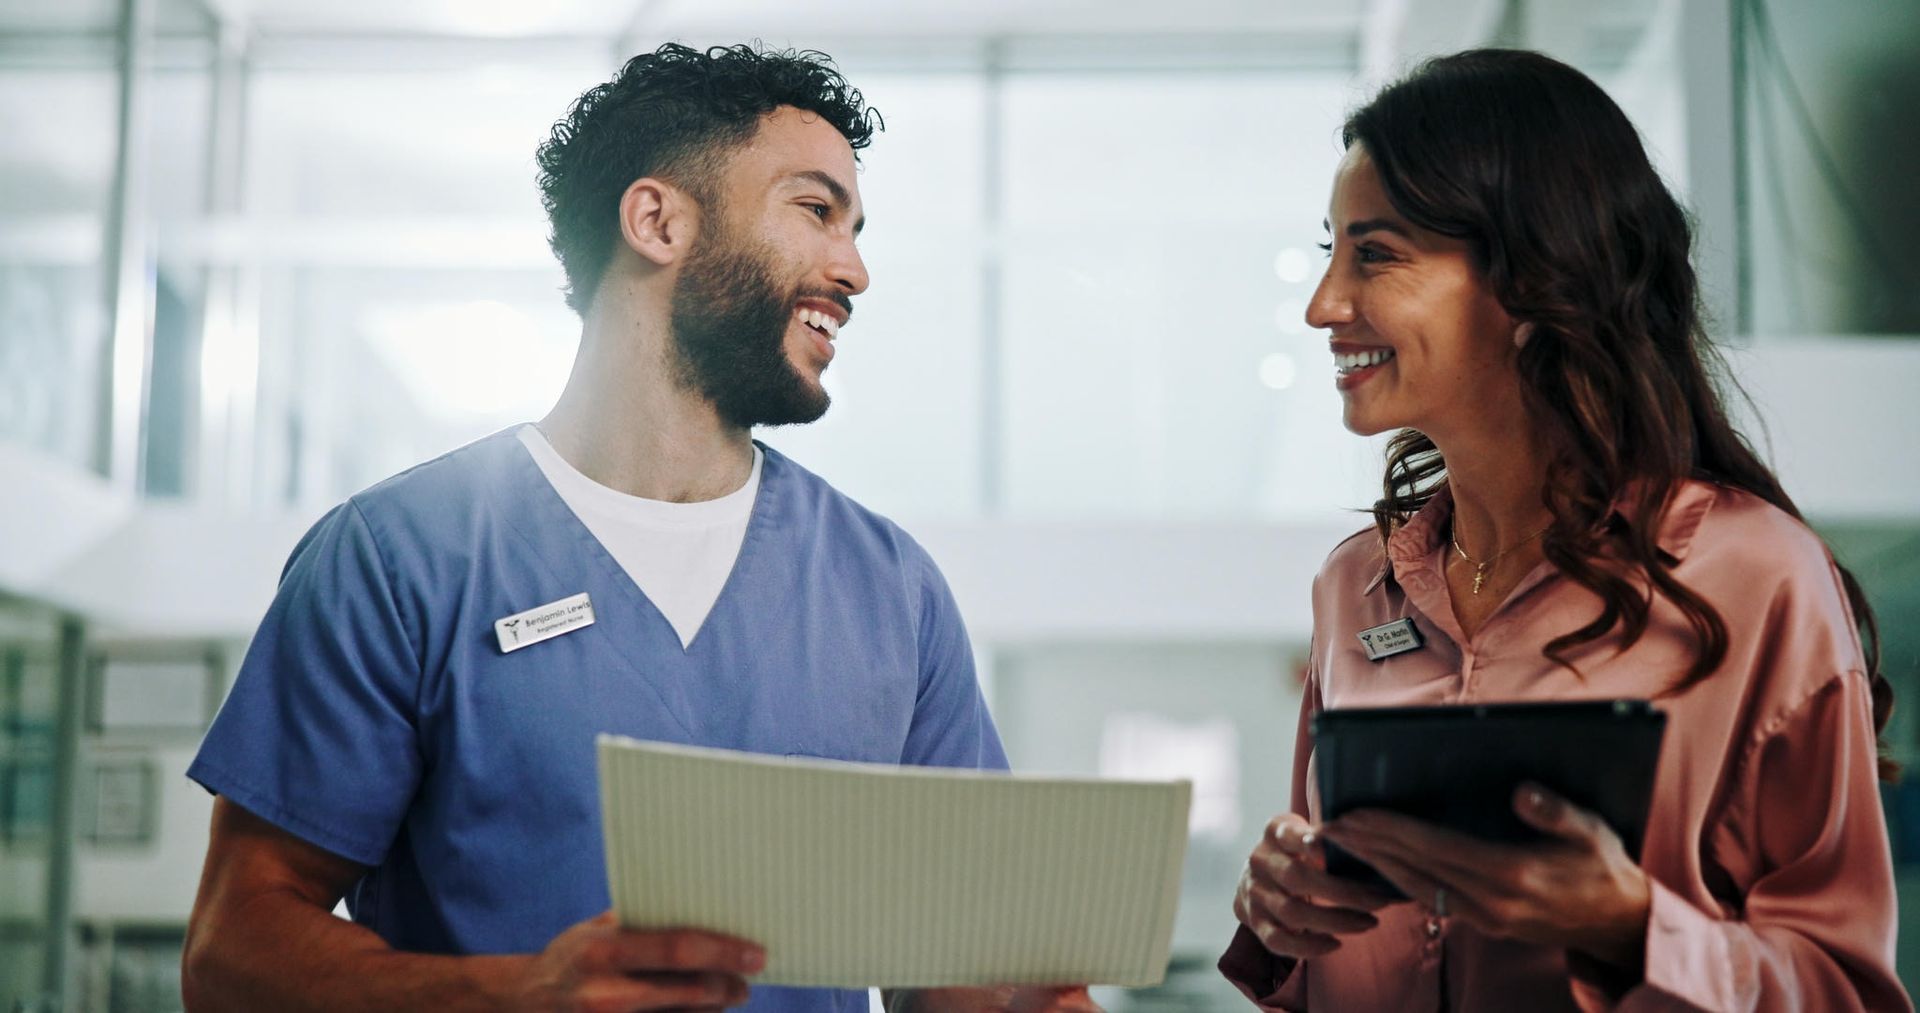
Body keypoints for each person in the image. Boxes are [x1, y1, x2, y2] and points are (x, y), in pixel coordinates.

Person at [181, 43, 1093, 1013]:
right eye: (816, 209)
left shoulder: (889, 587)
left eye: (857, 226)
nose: (855, 268)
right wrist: (522, 991)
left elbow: (963, 974)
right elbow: (232, 951)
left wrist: (1036, 986)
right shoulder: (399, 558)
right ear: (657, 219)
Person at [1223, 49, 1908, 1011]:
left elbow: (1847, 991)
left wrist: (1629, 929)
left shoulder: (1759, 577)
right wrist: (1278, 911)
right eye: (1332, 249)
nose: (1323, 303)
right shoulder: (1354, 589)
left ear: (1530, 280)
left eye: (1373, 254)